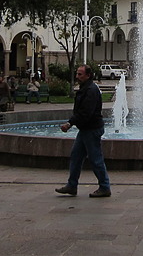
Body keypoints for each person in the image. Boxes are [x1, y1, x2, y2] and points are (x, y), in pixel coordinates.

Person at [56, 65, 111, 198]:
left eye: (80, 74)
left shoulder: (91, 90)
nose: (77, 76)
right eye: (77, 74)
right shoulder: (85, 88)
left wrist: (70, 123)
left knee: (95, 159)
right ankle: (72, 185)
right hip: (86, 129)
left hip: (91, 129)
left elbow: (85, 113)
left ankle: (104, 187)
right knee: (76, 156)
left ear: (88, 75)